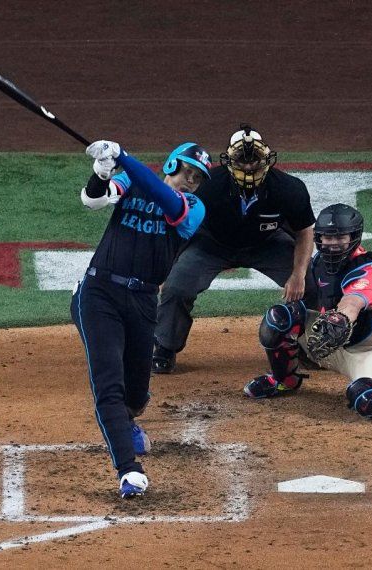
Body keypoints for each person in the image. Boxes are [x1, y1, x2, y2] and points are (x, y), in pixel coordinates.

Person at [70, 139, 211, 498]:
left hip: (144, 300)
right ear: (170, 165)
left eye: (196, 178)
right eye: (186, 171)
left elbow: (165, 200)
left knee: (136, 392)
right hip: (99, 293)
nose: (189, 181)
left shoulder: (192, 208)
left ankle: (128, 419)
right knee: (109, 387)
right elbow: (93, 200)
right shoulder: (132, 181)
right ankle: (128, 470)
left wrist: (125, 158)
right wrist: (101, 174)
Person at [243, 203, 372, 418]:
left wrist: (339, 318)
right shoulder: (318, 263)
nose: (332, 244)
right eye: (327, 238)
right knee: (279, 318)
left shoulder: (368, 273)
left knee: (369, 400)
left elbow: (352, 303)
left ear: (354, 237)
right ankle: (284, 381)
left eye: (340, 238)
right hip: (334, 342)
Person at [152, 124, 315, 374]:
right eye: (242, 160)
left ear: (267, 160)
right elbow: (181, 225)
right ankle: (165, 346)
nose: (249, 167)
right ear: (229, 161)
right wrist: (166, 268)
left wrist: (298, 274)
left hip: (266, 243)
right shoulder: (208, 186)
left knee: (313, 283)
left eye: (255, 161)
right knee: (176, 287)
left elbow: (304, 231)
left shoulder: (289, 188)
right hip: (212, 244)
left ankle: (308, 345)